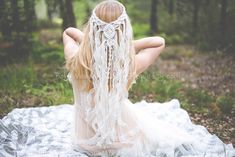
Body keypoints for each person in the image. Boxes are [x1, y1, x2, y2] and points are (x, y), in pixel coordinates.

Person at [0, 0, 234, 157]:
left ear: (92, 28)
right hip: (123, 144)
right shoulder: (129, 65)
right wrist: (122, 47)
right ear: (124, 30)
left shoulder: (75, 59)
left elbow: (69, 32)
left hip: (85, 143)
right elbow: (159, 42)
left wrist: (93, 44)